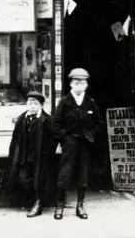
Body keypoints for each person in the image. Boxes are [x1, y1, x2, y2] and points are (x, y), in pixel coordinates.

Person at [49, 68, 102, 220]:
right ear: (71, 84)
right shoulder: (65, 101)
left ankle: (80, 205)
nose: (79, 86)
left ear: (86, 85)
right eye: (76, 83)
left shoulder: (90, 102)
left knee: (82, 175)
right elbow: (55, 123)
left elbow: (99, 123)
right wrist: (64, 137)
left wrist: (90, 134)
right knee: (64, 174)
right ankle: (59, 205)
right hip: (69, 143)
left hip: (84, 144)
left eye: (83, 83)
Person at [2, 91, 57, 217]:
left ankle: (38, 204)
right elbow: (16, 138)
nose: (32, 105)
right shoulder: (22, 119)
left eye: (35, 103)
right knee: (23, 179)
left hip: (40, 157)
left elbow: (54, 137)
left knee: (39, 180)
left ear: (41, 106)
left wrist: (48, 151)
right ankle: (33, 201)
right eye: (30, 102)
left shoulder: (47, 120)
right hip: (24, 156)